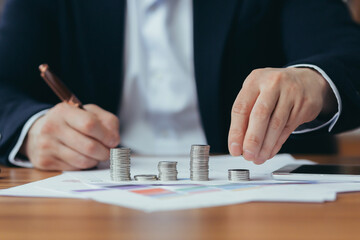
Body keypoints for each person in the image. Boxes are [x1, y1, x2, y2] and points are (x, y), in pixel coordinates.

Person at [0, 0, 360, 171]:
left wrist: (313, 80)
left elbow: (347, 52)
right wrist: (32, 129)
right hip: (89, 194)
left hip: (260, 201)